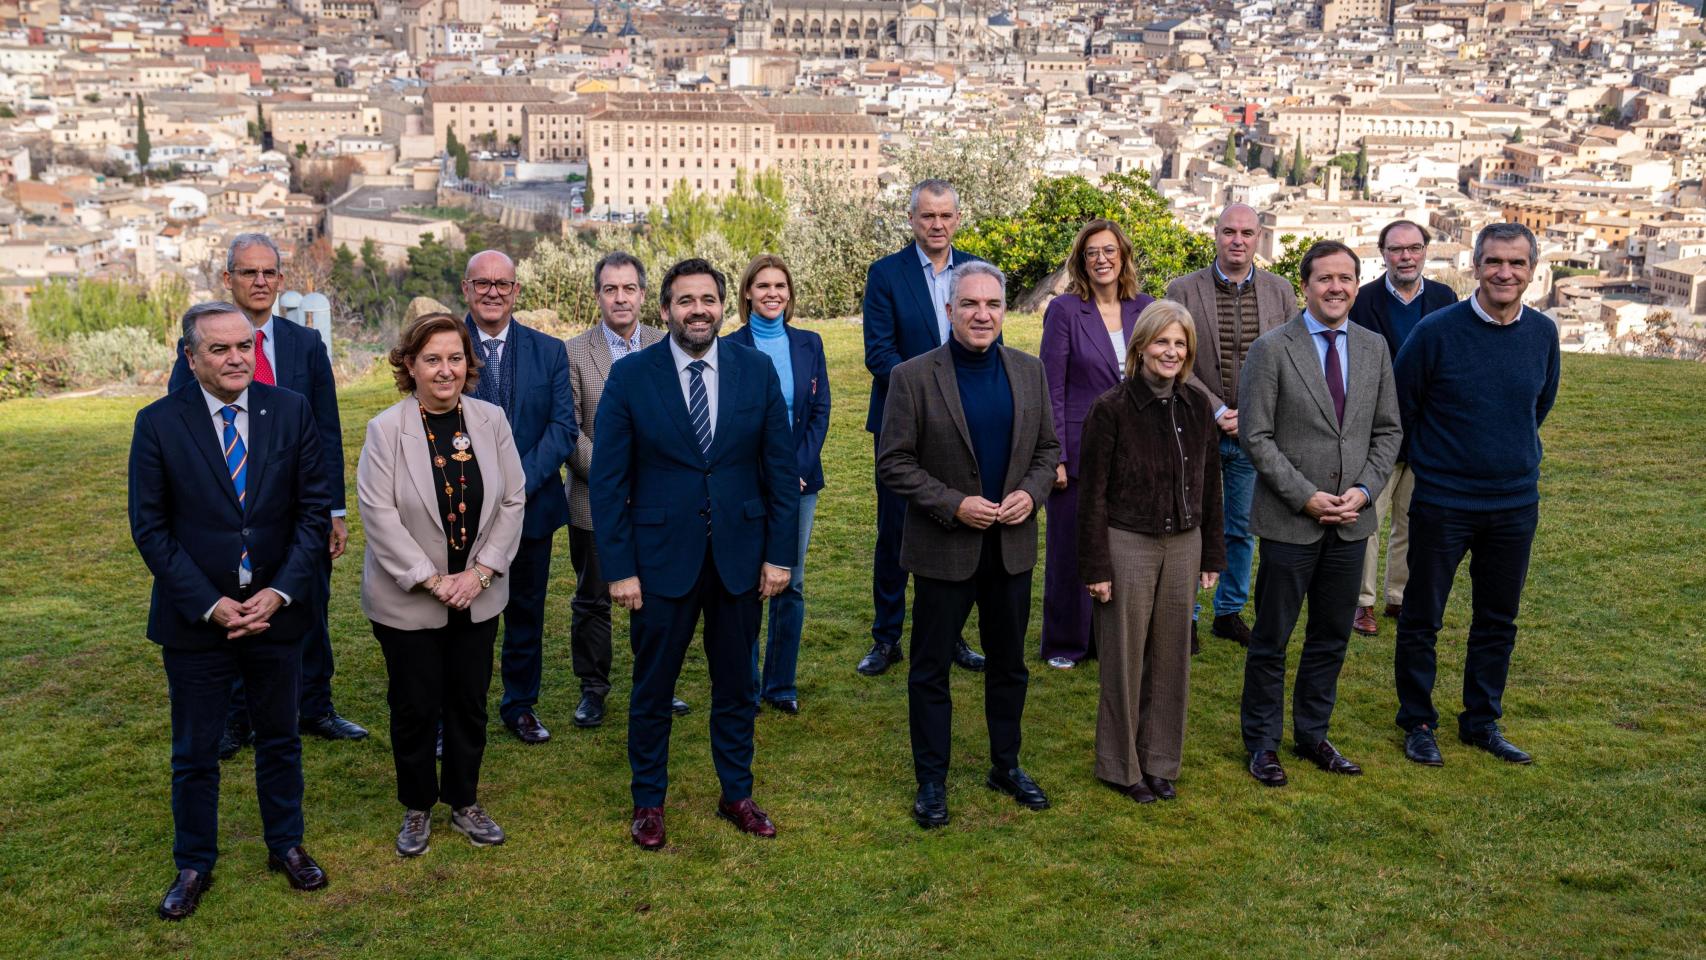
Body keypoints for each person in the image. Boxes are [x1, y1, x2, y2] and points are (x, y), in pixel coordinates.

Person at [131, 301, 334, 920]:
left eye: (244, 346)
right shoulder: (159, 423)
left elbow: (311, 514)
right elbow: (151, 528)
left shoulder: (290, 411)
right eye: (218, 349)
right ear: (190, 358)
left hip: (277, 615)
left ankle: (286, 845)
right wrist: (212, 604)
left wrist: (279, 593)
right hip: (197, 623)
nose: (235, 358)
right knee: (194, 751)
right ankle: (193, 864)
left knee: (280, 738)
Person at [589, 258, 800, 850]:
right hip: (658, 563)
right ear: (665, 310)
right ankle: (648, 802)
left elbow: (779, 472)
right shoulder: (632, 377)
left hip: (740, 556)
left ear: (720, 304)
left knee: (737, 687)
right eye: (685, 301)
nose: (698, 310)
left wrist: (779, 556)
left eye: (708, 299)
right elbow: (608, 482)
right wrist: (621, 568)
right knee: (652, 690)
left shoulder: (755, 371)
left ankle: (737, 793)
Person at [877, 262, 1061, 829]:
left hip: (1011, 546)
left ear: (1005, 311)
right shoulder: (912, 377)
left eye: (994, 305)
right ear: (949, 311)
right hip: (944, 547)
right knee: (930, 669)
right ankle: (931, 779)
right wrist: (953, 503)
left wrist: (1031, 495)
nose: (983, 314)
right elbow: (894, 463)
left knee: (1009, 665)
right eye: (971, 305)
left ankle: (1005, 765)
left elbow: (1048, 449)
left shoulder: (1029, 372)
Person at [169, 234, 366, 756]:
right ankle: (239, 718)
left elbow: (326, 428)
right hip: (229, 510)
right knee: (236, 610)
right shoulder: (196, 349)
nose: (260, 282)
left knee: (308, 603)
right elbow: (180, 431)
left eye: (269, 273)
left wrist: (333, 512)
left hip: (297, 511)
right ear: (228, 279)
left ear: (281, 280)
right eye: (248, 273)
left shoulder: (304, 345)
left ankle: (316, 707)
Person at [356, 313, 526, 857]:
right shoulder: (386, 429)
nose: (445, 369)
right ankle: (417, 806)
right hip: (409, 600)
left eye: (455, 358)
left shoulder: (491, 420)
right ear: (410, 365)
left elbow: (513, 500)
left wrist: (479, 574)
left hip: (478, 595)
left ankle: (464, 800)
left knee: (469, 703)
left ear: (468, 364)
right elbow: (378, 513)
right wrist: (433, 580)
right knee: (414, 705)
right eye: (432, 359)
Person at [1392, 223, 1560, 768]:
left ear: (1532, 271)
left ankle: (1481, 720)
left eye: (1516, 263)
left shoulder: (1543, 333)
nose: (1504, 273)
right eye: (1494, 262)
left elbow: (1538, 405)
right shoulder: (1436, 332)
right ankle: (1417, 721)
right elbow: (1402, 407)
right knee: (1422, 616)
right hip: (1444, 499)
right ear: (1475, 266)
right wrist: (1439, 463)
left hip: (1514, 503)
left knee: (1498, 619)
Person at [1236, 240, 1402, 787]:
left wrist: (1365, 490)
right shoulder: (1272, 349)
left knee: (1331, 636)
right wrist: (1303, 495)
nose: (1336, 288)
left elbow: (1387, 431)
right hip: (1291, 522)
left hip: (1352, 521)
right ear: (1304, 284)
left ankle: (1312, 733)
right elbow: (1256, 436)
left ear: (1357, 285)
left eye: (1346, 279)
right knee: (1272, 639)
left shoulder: (1375, 348)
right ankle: (1262, 743)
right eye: (1325, 278)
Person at [1076, 300, 1223, 803]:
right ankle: (1121, 766)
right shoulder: (1110, 409)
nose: (1171, 351)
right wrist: (1095, 564)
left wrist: (1212, 556)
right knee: (1123, 657)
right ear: (1140, 347)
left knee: (1171, 656)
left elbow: (1210, 487)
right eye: (1162, 341)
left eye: (1180, 344)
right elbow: (1091, 493)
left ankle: (1160, 760)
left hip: (1185, 543)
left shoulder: (1198, 407)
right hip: (1128, 544)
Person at [858, 178, 987, 677]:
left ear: (958, 219)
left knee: (956, 527)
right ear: (912, 220)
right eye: (927, 216)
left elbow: (985, 341)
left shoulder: (976, 272)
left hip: (965, 425)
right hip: (901, 422)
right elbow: (879, 354)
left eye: (945, 216)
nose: (937, 224)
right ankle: (886, 638)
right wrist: (928, 396)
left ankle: (949, 633)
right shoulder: (885, 274)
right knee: (894, 531)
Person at [459, 250, 578, 744]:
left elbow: (563, 426)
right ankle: (459, 712)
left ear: (516, 291)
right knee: (462, 618)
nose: (493, 292)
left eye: (502, 284)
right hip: (460, 507)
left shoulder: (549, 351)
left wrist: (517, 482)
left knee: (526, 610)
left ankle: (520, 705)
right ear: (466, 288)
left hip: (531, 506)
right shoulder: (443, 344)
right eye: (482, 283)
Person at [1164, 204, 1297, 648]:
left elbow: (1289, 361)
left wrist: (1254, 415)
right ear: (1215, 235)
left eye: (1246, 232)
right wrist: (1218, 409)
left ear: (1259, 237)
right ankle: (1187, 614)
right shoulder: (1182, 290)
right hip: (1195, 428)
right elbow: (1175, 358)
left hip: (1255, 433)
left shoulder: (1281, 293)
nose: (1237, 240)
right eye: (1228, 232)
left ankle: (1229, 610)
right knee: (1190, 523)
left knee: (1241, 526)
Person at [1039, 218, 1157, 669]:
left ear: (1123, 256)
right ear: (1081, 261)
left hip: (1135, 449)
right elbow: (1052, 385)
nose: (1101, 259)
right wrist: (1057, 456)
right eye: (1092, 253)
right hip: (1079, 447)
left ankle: (1119, 640)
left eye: (1109, 250)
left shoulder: (1145, 307)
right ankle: (1067, 642)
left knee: (1128, 549)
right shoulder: (1066, 310)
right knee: (1072, 549)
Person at [563, 252, 673, 729]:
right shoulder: (573, 352)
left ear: (644, 295)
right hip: (594, 502)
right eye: (611, 289)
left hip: (658, 502)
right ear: (598, 296)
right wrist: (613, 482)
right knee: (593, 600)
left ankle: (656, 685)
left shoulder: (666, 345)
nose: (621, 297)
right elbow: (569, 430)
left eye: (629, 288)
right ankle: (593, 689)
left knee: (658, 597)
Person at [725, 253, 831, 714]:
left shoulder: (810, 343)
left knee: (792, 580)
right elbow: (726, 420)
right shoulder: (729, 347)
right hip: (746, 481)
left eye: (780, 286)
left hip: (799, 481)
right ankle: (745, 684)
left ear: (790, 294)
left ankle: (780, 685)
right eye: (763, 285)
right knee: (746, 582)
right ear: (747, 291)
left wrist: (797, 470)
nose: (772, 293)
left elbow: (819, 412)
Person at [1347, 220, 1459, 636]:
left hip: (1429, 432)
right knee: (1368, 521)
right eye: (1397, 250)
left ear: (1425, 252)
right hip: (1375, 430)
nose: (1406, 257)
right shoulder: (1364, 300)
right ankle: (1362, 603)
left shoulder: (1446, 298)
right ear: (1383, 254)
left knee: (1413, 521)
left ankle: (1399, 597)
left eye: (1414, 248)